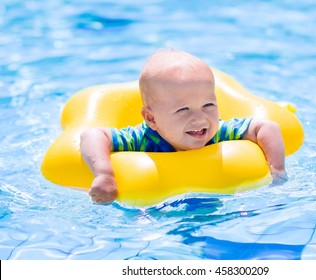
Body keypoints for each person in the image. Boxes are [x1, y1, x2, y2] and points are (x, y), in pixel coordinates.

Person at [80, 49, 286, 205]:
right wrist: (105, 175)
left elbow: (267, 128)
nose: (200, 118)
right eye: (183, 110)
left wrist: (277, 172)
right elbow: (92, 135)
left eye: (208, 105)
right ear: (151, 119)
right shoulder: (142, 138)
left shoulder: (219, 132)